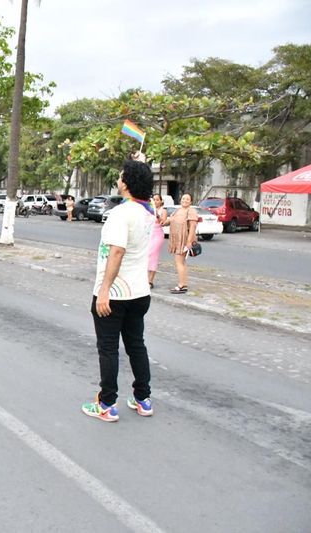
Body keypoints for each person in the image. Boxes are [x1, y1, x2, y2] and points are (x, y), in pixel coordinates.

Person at [82, 155, 155, 422]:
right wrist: (141, 164)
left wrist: (104, 291)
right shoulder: (148, 212)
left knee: (108, 348)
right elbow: (142, 194)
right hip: (140, 293)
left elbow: (117, 252)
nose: (118, 178)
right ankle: (143, 399)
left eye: (121, 174)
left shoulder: (120, 214)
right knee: (136, 345)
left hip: (115, 294)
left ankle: (106, 404)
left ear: (126, 182)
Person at [167, 193, 198, 294]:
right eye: (183, 198)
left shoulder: (191, 211)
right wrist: (162, 221)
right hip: (177, 239)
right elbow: (170, 220)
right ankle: (183, 284)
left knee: (179, 262)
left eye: (187, 199)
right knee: (181, 263)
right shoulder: (178, 210)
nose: (185, 200)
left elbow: (193, 227)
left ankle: (181, 285)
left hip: (184, 240)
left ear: (191, 201)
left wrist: (189, 242)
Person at [147, 194, 168, 289]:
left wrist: (157, 215)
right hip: (148, 234)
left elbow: (163, 223)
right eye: (154, 200)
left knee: (153, 255)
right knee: (146, 255)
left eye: (157, 200)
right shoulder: (149, 210)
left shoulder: (163, 211)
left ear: (161, 201)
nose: (155, 201)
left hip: (157, 234)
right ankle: (144, 278)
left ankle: (150, 280)